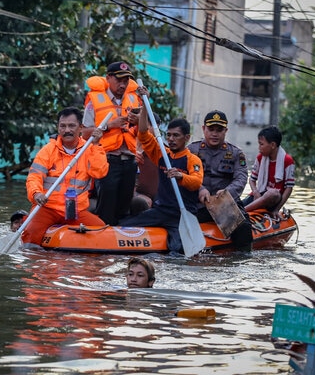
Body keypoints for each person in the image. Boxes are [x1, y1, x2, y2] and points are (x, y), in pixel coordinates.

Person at [119, 103, 203, 254]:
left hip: (181, 215)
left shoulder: (193, 160)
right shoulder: (162, 154)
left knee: (177, 250)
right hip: (161, 210)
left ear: (187, 138)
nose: (171, 139)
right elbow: (144, 133)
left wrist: (180, 176)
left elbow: (196, 183)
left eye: (176, 135)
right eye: (168, 135)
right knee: (124, 224)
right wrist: (145, 105)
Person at [21, 107, 108, 246]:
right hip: (48, 208)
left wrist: (97, 145)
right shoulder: (48, 150)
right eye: (63, 126)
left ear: (80, 128)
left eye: (72, 126)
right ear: (58, 128)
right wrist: (36, 194)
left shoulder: (90, 149)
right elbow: (34, 177)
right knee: (31, 235)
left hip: (75, 211)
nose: (67, 130)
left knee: (101, 229)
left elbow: (100, 172)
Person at [82, 61, 143, 225]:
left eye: (126, 81)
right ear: (108, 78)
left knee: (124, 205)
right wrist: (109, 125)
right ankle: (102, 236)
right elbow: (85, 133)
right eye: (119, 80)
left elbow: (143, 132)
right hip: (106, 159)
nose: (123, 84)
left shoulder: (135, 100)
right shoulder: (93, 101)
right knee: (107, 204)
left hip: (129, 160)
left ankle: (119, 242)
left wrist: (139, 120)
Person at [187, 110, 253, 248]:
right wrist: (199, 188)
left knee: (243, 228)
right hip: (197, 204)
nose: (214, 134)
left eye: (219, 130)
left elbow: (241, 178)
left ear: (226, 131)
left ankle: (240, 261)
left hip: (224, 205)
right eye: (211, 129)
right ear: (204, 129)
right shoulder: (191, 150)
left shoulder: (236, 153)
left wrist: (226, 193)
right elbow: (184, 174)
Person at [243, 126, 295, 217]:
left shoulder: (287, 160)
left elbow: (289, 188)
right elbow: (252, 180)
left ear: (273, 145)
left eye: (261, 144)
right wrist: (255, 192)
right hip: (259, 195)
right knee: (234, 203)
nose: (259, 148)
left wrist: (277, 209)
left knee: (272, 193)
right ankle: (242, 209)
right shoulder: (260, 158)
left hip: (273, 199)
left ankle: (242, 212)